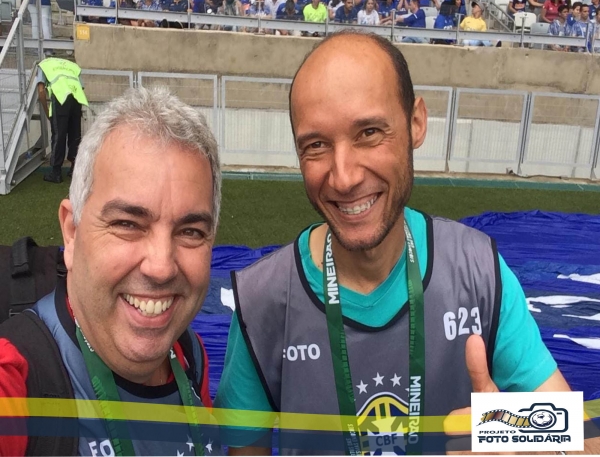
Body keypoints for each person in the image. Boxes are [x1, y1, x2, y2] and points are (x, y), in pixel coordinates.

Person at [214, 30, 580, 456]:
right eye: (316, 145)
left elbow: (581, 441)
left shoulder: (479, 272)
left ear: (416, 123)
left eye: (369, 132)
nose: (344, 177)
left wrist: (510, 435)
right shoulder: (261, 302)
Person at [0, 87, 221, 456]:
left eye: (190, 231)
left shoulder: (189, 353)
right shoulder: (16, 378)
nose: (161, 266)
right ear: (72, 232)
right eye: (127, 224)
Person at [34, 58, 88, 183]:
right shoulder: (72, 66)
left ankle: (56, 172)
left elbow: (41, 91)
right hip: (76, 99)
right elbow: (81, 87)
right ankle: (74, 169)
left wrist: (47, 111)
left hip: (60, 99)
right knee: (75, 135)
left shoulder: (45, 65)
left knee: (59, 135)